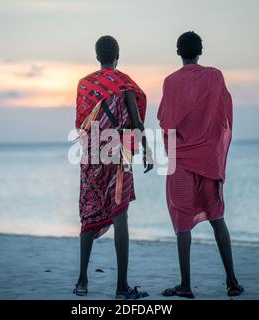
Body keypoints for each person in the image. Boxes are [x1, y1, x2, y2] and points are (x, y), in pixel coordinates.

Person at [157, 31, 244, 298]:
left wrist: (170, 160)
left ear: (177, 52)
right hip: (208, 161)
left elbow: (165, 122)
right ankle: (231, 282)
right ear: (201, 51)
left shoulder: (170, 82)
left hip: (180, 161)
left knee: (182, 224)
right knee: (218, 219)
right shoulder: (215, 76)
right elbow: (223, 116)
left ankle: (185, 285)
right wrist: (215, 153)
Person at [74, 35, 153, 300]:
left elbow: (82, 124)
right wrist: (146, 151)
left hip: (92, 158)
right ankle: (121, 288)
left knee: (88, 217)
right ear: (117, 56)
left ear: (98, 57)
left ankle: (82, 281)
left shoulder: (84, 85)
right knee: (120, 219)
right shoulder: (124, 83)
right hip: (119, 156)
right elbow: (136, 123)